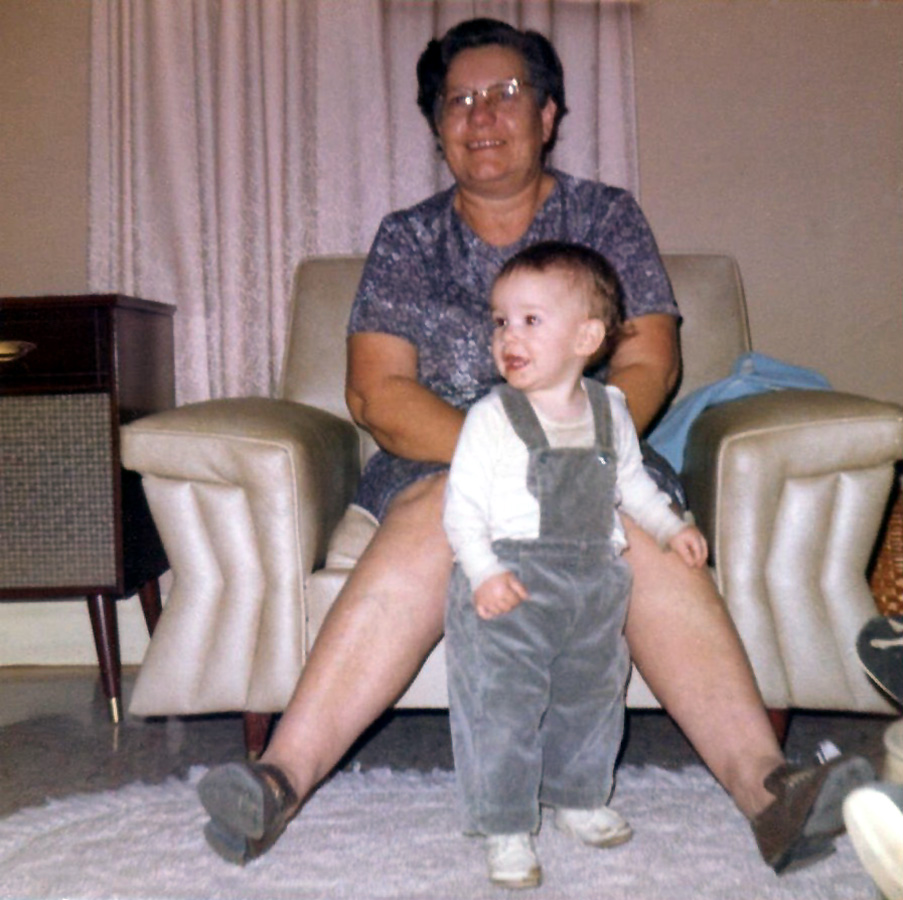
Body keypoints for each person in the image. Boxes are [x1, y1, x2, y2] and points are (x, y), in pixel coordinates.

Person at [197, 17, 873, 874]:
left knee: (629, 522)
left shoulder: (606, 217)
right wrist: (509, 458)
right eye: (457, 101)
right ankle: (277, 781)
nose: (480, 115)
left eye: (505, 94)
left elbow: (649, 360)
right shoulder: (407, 238)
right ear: (437, 126)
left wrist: (574, 453)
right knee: (439, 510)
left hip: (593, 448)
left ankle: (769, 793)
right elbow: (376, 392)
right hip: (441, 460)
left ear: (547, 115)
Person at [443, 241, 709, 889]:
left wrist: (670, 526)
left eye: (530, 320)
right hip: (511, 584)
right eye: (500, 321)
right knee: (503, 706)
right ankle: (505, 822)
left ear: (586, 337)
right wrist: (482, 572)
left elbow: (631, 485)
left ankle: (578, 797)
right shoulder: (491, 418)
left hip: (594, 583)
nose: (508, 336)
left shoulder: (608, 409)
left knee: (591, 696)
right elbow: (461, 509)